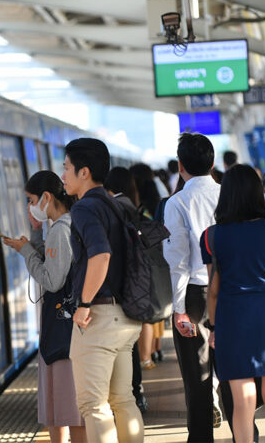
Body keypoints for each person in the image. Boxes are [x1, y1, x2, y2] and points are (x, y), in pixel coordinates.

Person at [202, 165, 265, 443]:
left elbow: (213, 290)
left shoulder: (211, 236)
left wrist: (213, 327)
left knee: (243, 399)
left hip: (232, 318)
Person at [62, 138, 144, 443]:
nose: (63, 175)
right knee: (122, 401)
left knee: (93, 406)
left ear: (84, 172)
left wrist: (84, 303)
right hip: (127, 316)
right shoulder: (116, 203)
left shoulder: (85, 208)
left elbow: (101, 254)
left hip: (99, 316)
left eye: (67, 167)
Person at [1, 171, 86, 443]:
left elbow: (51, 280)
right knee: (63, 407)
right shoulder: (61, 226)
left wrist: (25, 252)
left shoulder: (61, 229)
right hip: (65, 327)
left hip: (62, 330)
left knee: (66, 408)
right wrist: (35, 238)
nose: (29, 207)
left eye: (31, 200)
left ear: (46, 197)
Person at [163, 133, 222, 441]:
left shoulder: (178, 202)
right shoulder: (229, 194)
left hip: (195, 296)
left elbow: (179, 260)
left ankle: (201, 438)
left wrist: (179, 308)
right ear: (213, 162)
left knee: (197, 377)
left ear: (181, 167)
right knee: (233, 373)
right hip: (228, 291)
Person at [103, 166, 149, 413]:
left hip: (122, 291)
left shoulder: (115, 208)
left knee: (124, 349)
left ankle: (132, 395)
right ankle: (136, 393)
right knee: (130, 345)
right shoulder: (133, 207)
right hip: (137, 288)